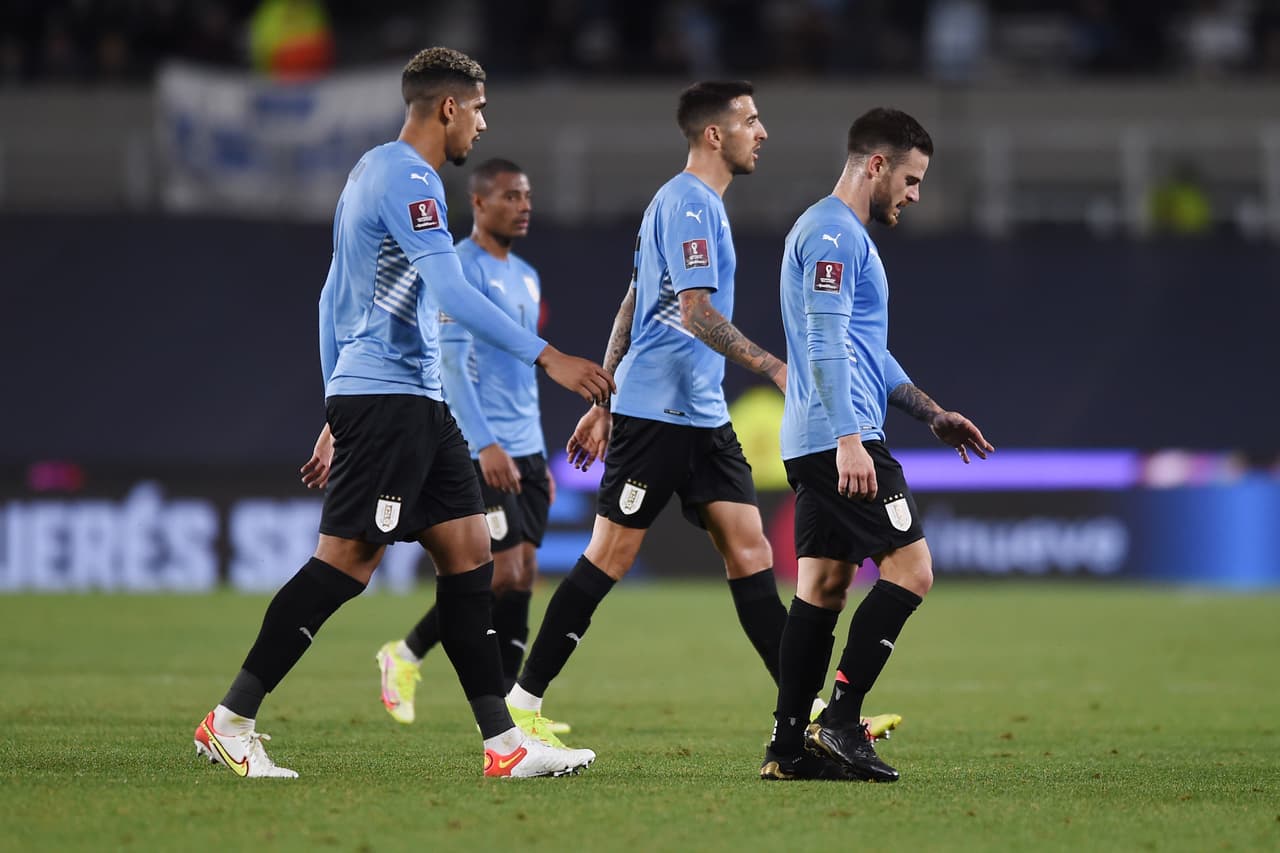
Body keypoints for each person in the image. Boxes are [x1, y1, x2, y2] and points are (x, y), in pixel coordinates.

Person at [192, 46, 613, 780]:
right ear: (448, 106)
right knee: (347, 564)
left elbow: (331, 298)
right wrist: (550, 357)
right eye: (478, 109)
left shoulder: (367, 172)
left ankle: (504, 745)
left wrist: (330, 408)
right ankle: (230, 719)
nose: (482, 125)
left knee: (469, 555)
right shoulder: (411, 179)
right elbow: (451, 294)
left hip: (414, 400)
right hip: (391, 398)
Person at [501, 81, 898, 749]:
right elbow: (693, 312)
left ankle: (805, 720)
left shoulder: (692, 204)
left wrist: (602, 398)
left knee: (750, 552)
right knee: (610, 554)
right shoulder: (688, 203)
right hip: (657, 413)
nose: (762, 131)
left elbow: (632, 302)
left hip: (703, 416)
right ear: (715, 135)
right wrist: (771, 366)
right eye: (750, 120)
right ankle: (522, 700)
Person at [759, 107, 994, 782]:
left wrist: (932, 412)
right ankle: (839, 720)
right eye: (912, 180)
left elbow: (865, 350)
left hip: (814, 435)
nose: (915, 195)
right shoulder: (835, 235)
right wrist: (851, 439)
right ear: (876, 165)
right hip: (842, 436)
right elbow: (826, 341)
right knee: (912, 569)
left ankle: (787, 747)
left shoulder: (832, 232)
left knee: (824, 587)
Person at [374, 158, 569, 734]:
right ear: (479, 204)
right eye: (511, 195)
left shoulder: (528, 275)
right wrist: (486, 445)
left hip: (525, 451)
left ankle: (515, 713)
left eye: (528, 194)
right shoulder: (459, 268)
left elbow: (519, 374)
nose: (524, 205)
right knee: (501, 571)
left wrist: (537, 458)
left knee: (524, 572)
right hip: (481, 448)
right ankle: (404, 655)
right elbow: (454, 367)